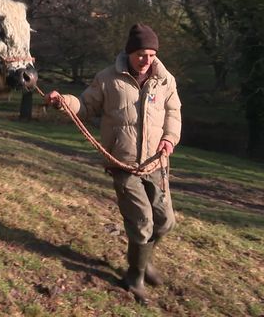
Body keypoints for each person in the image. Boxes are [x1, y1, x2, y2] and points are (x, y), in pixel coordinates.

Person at [45, 23, 181, 304]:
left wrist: (169, 139)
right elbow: (85, 105)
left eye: (152, 55)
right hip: (122, 162)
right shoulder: (108, 79)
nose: (147, 60)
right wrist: (63, 101)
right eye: (142, 54)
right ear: (130, 52)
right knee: (143, 221)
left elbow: (173, 112)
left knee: (165, 222)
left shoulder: (165, 80)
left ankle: (144, 262)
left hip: (156, 163)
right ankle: (134, 277)